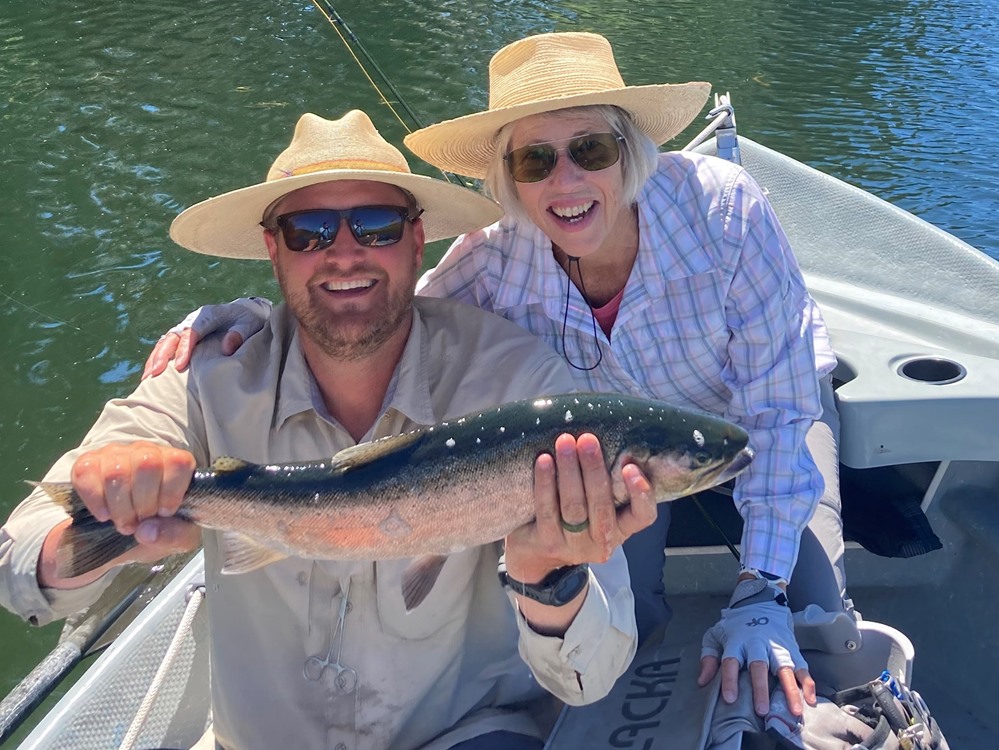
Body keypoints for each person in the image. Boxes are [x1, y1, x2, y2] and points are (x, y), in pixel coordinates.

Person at [143, 32, 848, 718]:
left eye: (590, 150)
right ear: (506, 178)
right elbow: (371, 313)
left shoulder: (725, 212)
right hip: (616, 462)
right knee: (622, 632)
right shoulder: (489, 264)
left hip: (748, 426)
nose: (565, 181)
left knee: (818, 622)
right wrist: (255, 320)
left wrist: (761, 591)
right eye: (534, 161)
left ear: (630, 152)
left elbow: (780, 412)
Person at [0, 110, 660, 750]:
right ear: (271, 247)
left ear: (414, 238)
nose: (344, 253)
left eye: (375, 225)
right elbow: (19, 567)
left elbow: (589, 677)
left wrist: (547, 577)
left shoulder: (524, 389)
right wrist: (111, 512)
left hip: (463, 733)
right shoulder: (206, 378)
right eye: (309, 231)